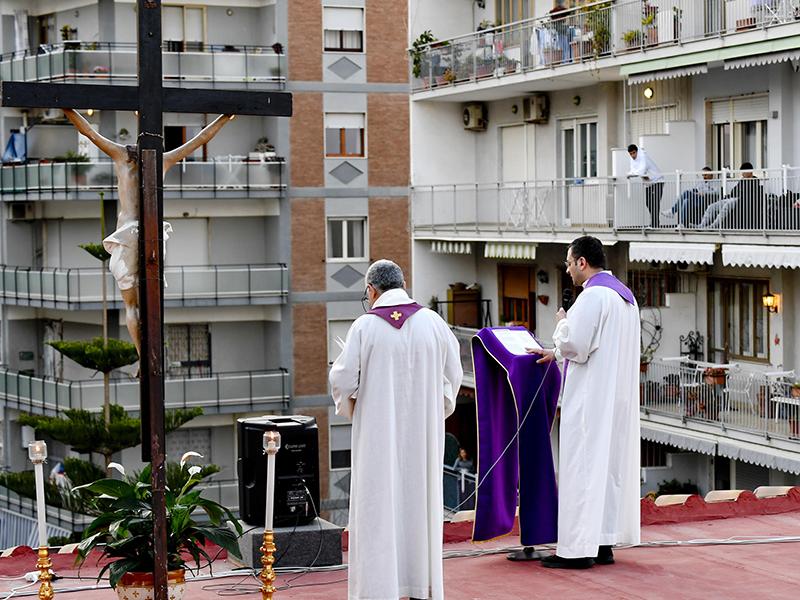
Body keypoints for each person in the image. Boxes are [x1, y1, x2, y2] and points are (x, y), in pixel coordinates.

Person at [329, 259, 463, 600]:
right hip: (422, 437)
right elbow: (453, 376)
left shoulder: (364, 327)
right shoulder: (433, 323)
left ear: (371, 290)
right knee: (420, 506)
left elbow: (342, 380)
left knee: (378, 506)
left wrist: (355, 405)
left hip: (378, 437)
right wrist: (434, 409)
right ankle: (421, 586)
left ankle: (379, 590)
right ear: (403, 285)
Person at [62, 109, 234, 359]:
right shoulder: (162, 159)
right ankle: (152, 355)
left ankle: (143, 356)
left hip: (127, 235)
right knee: (150, 302)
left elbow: (88, 131)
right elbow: (201, 139)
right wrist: (225, 117)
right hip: (153, 232)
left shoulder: (121, 154)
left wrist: (66, 108)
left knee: (131, 306)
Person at [527, 236, 640, 569]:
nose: (566, 269)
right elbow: (599, 344)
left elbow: (577, 344)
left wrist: (562, 322)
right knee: (606, 471)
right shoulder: (625, 297)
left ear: (581, 262)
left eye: (568, 262)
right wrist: (555, 352)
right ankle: (603, 543)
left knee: (582, 469)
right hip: (616, 399)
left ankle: (576, 551)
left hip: (591, 399)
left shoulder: (592, 296)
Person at [697, 162, 764, 229]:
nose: (742, 174)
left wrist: (739, 192)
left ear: (749, 172)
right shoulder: (742, 181)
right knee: (711, 206)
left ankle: (713, 225)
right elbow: (733, 191)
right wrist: (739, 191)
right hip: (732, 198)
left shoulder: (755, 181)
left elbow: (747, 193)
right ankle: (701, 225)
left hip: (740, 200)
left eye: (743, 172)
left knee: (727, 206)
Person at [627, 144, 664, 228]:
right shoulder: (633, 160)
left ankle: (655, 224)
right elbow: (633, 170)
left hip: (658, 181)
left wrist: (631, 174)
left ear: (637, 151)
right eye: (631, 154)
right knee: (648, 203)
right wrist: (630, 174)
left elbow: (641, 170)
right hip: (649, 183)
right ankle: (655, 222)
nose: (633, 155)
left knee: (655, 203)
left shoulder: (643, 157)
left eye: (634, 153)